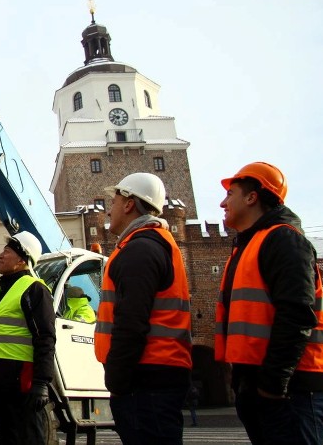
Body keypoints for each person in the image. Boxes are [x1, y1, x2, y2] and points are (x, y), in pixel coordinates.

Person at [215, 162, 323, 445]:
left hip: (291, 388)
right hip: (265, 385)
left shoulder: (283, 240)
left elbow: (296, 314)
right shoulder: (249, 245)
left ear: (252, 197)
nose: (223, 202)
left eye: (230, 193)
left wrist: (272, 384)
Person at [94, 172, 192, 445]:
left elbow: (131, 321)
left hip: (146, 379)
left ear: (128, 204)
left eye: (112, 201)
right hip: (154, 374)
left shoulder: (140, 249)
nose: (108, 210)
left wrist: (117, 378)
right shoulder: (150, 244)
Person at [0, 231, 56, 445]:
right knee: (6, 438)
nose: (0, 256)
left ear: (21, 260)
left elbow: (45, 338)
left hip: (22, 383)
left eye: (6, 252)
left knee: (28, 438)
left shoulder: (34, 289)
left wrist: (41, 383)